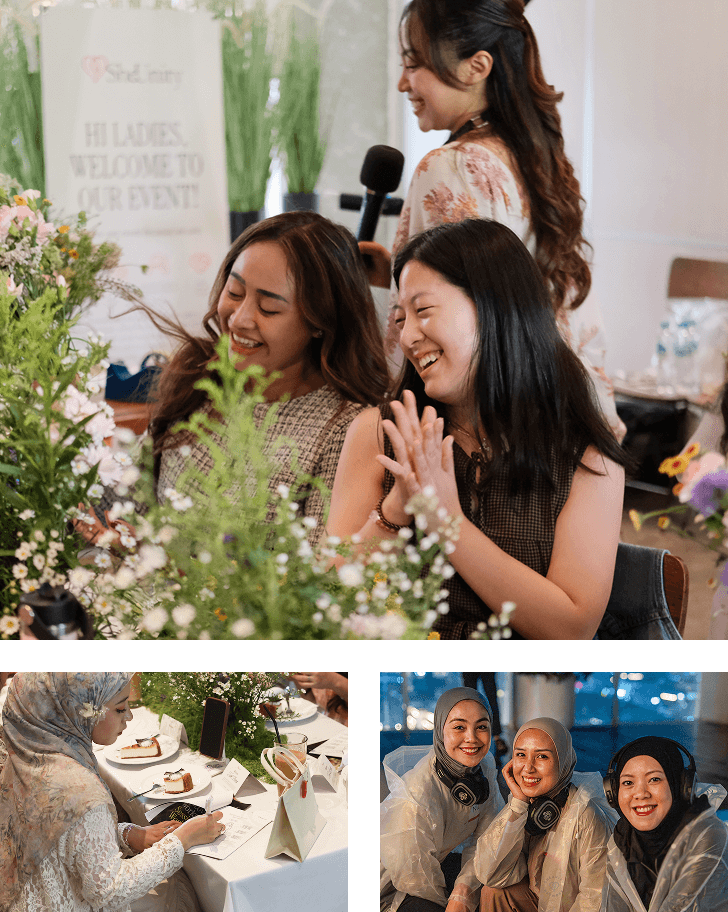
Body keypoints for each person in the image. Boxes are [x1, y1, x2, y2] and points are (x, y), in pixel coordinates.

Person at [328, 219, 630, 639]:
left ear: (494, 307)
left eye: (424, 310)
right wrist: (397, 508)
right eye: (400, 318)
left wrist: (446, 523)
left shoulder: (588, 456)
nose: (408, 336)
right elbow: (325, 596)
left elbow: (571, 628)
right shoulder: (379, 432)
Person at [361, 0, 625, 441]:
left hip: (484, 433)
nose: (402, 82)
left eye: (414, 63)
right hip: (560, 415)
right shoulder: (540, 163)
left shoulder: (450, 166)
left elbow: (447, 330)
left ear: (476, 66)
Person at [87, 211, 389, 546]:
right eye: (234, 291)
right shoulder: (199, 377)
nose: (240, 318)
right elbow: (123, 506)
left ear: (320, 321)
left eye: (269, 308)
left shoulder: (348, 429)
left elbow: (317, 580)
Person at [0, 672, 223, 912]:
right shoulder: (77, 787)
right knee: (182, 890)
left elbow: (59, 831)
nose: (129, 715)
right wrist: (184, 839)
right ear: (76, 709)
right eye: (119, 709)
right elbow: (108, 891)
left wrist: (127, 835)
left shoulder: (21, 752)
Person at [380, 687, 505, 912]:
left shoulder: (483, 767)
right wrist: (454, 904)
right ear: (440, 730)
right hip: (395, 886)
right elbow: (414, 879)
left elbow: (488, 839)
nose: (472, 738)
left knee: (500, 884)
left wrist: (463, 892)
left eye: (482, 727)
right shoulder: (418, 794)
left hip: (434, 864)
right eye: (459, 727)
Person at [476, 717, 617, 912]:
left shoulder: (586, 815)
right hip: (538, 903)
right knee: (493, 891)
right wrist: (517, 805)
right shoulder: (525, 804)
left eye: (542, 756)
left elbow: (595, 898)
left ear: (563, 762)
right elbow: (491, 874)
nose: (528, 767)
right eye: (521, 755)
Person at [601, 736, 728, 912]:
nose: (640, 793)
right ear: (613, 793)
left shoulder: (708, 837)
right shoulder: (622, 841)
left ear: (681, 786)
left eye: (654, 779)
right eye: (628, 782)